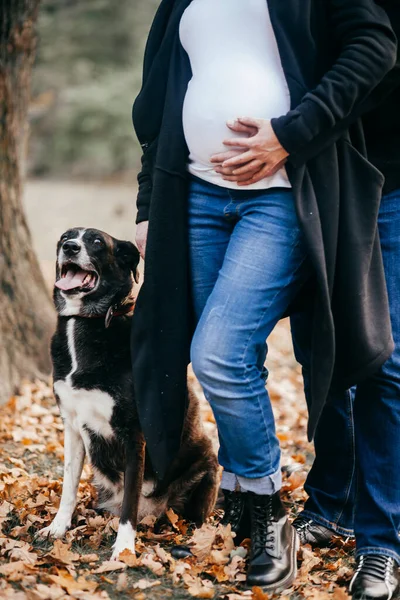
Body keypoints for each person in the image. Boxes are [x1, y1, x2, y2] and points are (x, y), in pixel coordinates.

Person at [131, 0, 396, 591]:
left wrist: (289, 134)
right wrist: (150, 206)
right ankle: (245, 496)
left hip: (280, 194)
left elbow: (374, 49)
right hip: (195, 196)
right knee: (228, 353)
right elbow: (159, 101)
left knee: (219, 353)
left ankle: (270, 508)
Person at [291, 4, 400, 599]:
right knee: (319, 350)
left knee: (385, 362)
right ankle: (330, 499)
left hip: (393, 186)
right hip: (321, 182)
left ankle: (380, 540)